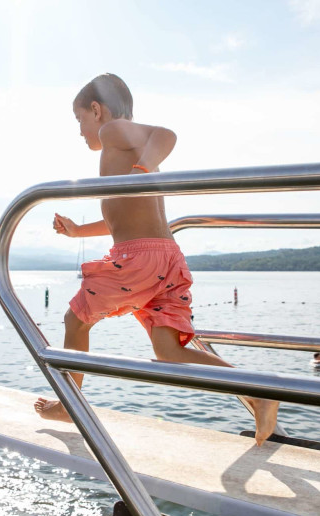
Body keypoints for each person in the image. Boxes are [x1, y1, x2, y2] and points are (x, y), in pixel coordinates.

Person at [32, 73, 279, 446]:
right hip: (165, 258)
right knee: (169, 352)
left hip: (139, 259)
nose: (81, 130)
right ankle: (256, 392)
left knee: (74, 319)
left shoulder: (114, 131)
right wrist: (77, 231)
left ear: (96, 110)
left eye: (79, 120)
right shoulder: (120, 149)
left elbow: (166, 135)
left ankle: (71, 403)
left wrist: (143, 169)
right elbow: (119, 219)